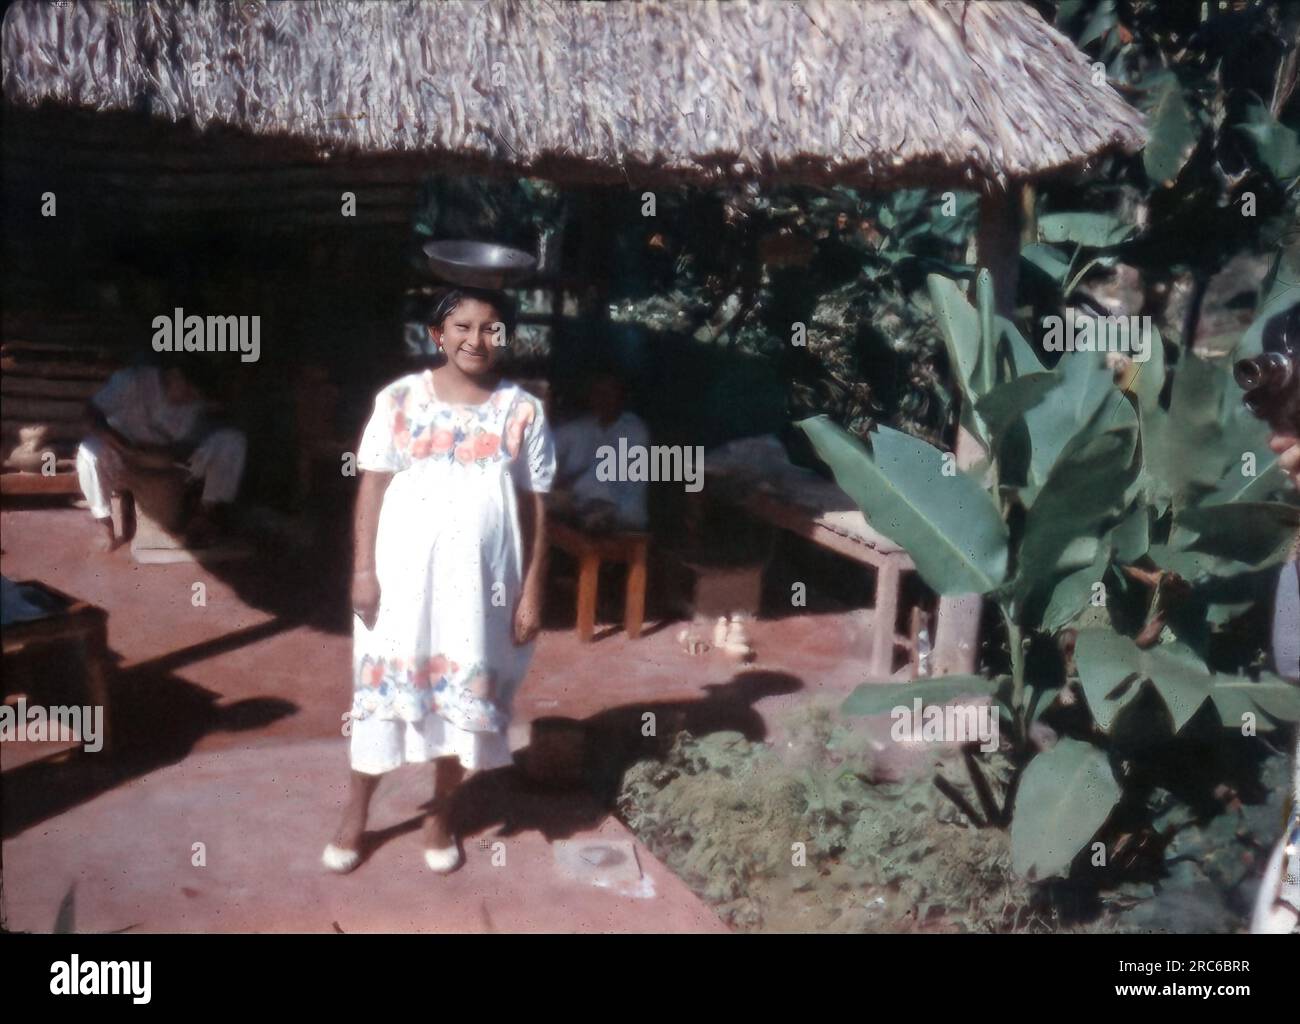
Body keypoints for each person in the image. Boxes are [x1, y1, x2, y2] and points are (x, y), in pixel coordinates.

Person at [324, 285, 555, 875]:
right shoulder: (400, 399)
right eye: (463, 326)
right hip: (403, 582)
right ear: (437, 335)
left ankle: (440, 816)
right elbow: (371, 487)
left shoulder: (522, 409)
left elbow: (536, 507)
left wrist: (532, 587)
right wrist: (362, 570)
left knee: (466, 700)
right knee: (381, 697)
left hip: (486, 588)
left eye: (491, 328)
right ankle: (355, 815)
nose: (477, 339)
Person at [76, 363, 246, 551]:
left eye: (195, 395)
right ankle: (104, 523)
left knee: (231, 441)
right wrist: (119, 442)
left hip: (165, 466)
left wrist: (164, 456)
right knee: (89, 451)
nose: (190, 398)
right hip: (122, 457)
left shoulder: (194, 402)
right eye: (188, 390)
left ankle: (205, 515)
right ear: (174, 374)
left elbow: (185, 448)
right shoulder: (133, 380)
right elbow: (90, 413)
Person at [551, 368, 650, 532]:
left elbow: (602, 476)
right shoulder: (585, 425)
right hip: (585, 510)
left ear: (622, 396)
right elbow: (547, 446)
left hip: (624, 518)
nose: (602, 399)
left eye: (609, 393)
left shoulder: (635, 430)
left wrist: (565, 484)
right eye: (597, 392)